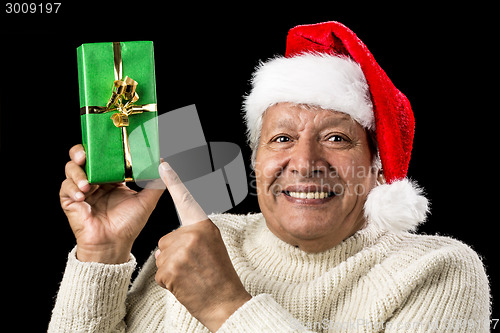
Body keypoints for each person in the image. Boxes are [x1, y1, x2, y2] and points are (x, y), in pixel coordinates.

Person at [48, 21, 490, 332]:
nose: (303, 162)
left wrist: (226, 306)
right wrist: (102, 254)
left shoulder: (437, 270)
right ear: (255, 161)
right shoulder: (210, 239)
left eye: (336, 138)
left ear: (377, 170)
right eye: (281, 139)